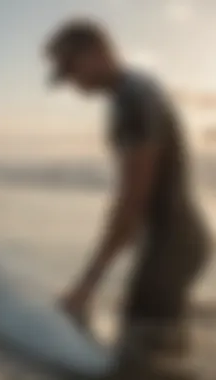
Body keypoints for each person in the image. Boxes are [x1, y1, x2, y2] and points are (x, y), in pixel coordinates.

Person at [44, 18, 210, 359]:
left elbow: (131, 206)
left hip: (173, 247)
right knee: (163, 350)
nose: (71, 83)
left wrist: (87, 285)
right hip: (176, 243)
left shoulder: (133, 100)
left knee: (142, 358)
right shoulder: (134, 90)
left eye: (70, 68)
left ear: (97, 52)